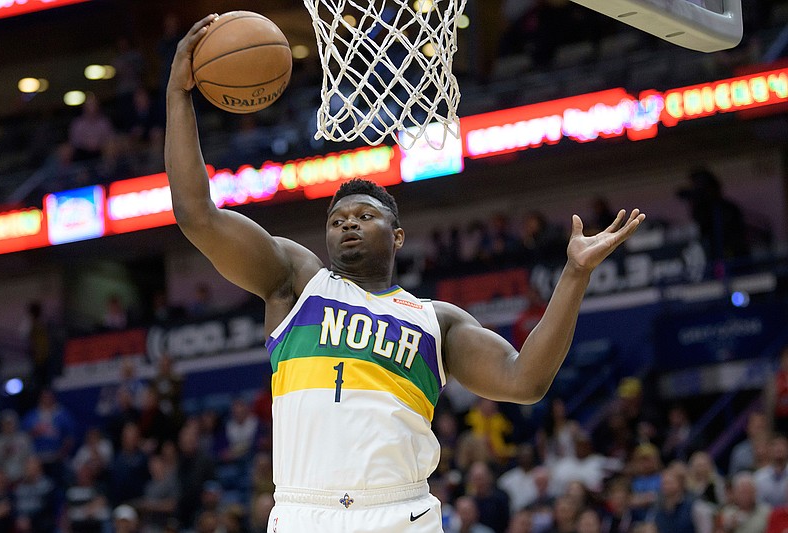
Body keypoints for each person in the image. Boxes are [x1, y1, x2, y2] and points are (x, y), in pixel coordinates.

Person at [165, 15, 646, 533]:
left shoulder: (436, 321)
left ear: (396, 236)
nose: (348, 224)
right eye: (337, 220)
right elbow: (197, 214)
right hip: (305, 510)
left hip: (401, 513)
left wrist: (574, 274)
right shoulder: (296, 283)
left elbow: (524, 381)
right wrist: (177, 93)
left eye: (364, 216)